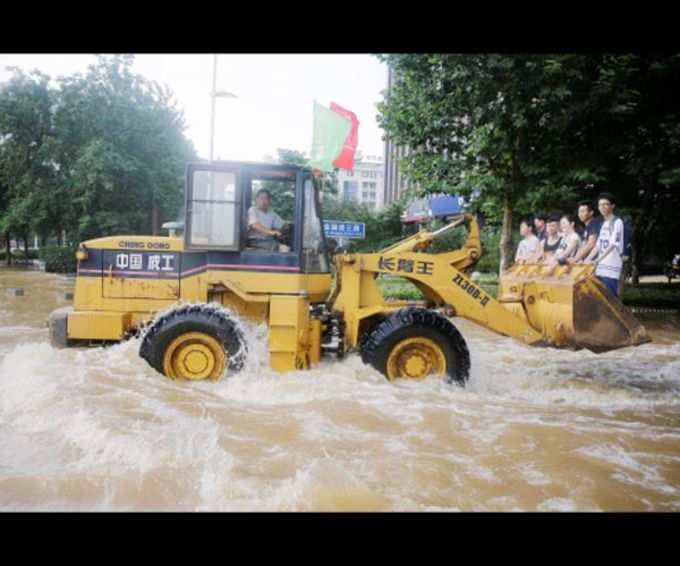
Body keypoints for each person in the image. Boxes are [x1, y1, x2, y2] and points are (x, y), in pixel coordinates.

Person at [584, 192, 625, 297]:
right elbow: (598, 246)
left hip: (611, 268)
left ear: (612, 206)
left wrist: (597, 260)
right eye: (600, 205)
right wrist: (587, 259)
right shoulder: (604, 224)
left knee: (611, 300)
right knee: (603, 300)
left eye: (605, 204)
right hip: (600, 268)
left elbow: (613, 245)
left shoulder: (617, 222)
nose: (602, 207)